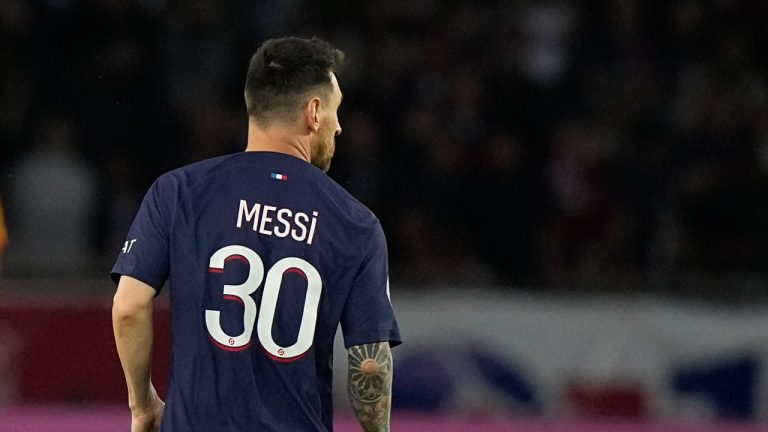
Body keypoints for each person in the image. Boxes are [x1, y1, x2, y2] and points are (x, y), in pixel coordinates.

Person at [111, 36, 401, 432]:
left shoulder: (179, 191)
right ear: (314, 112)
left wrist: (143, 405)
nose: (338, 127)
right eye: (336, 111)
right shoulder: (355, 223)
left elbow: (129, 307)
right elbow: (369, 363)